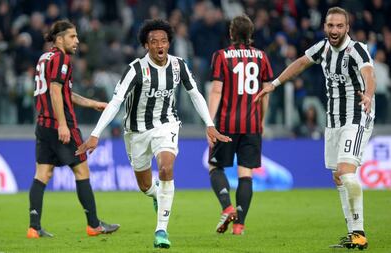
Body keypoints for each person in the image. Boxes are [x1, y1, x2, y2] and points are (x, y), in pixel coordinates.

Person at [75, 19, 231, 248]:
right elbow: (116, 101)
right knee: (146, 186)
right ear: (146, 45)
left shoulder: (179, 65)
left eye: (164, 41)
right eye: (154, 41)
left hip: (166, 125)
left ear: (169, 43)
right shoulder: (135, 69)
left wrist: (209, 123)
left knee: (166, 168)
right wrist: (96, 133)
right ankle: (157, 196)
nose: (160, 45)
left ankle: (161, 231)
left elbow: (195, 94)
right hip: (136, 132)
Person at [255, 7, 375, 250]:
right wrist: (274, 84)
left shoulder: (357, 50)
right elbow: (300, 62)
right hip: (333, 121)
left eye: (339, 26)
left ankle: (360, 234)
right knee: (337, 176)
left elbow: (368, 73)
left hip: (356, 116)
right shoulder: (323, 48)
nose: (334, 30)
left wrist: (369, 95)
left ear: (347, 28)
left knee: (346, 172)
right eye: (330, 25)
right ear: (324, 27)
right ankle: (354, 234)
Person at [27, 20, 120, 238]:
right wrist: (62, 124)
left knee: (43, 173)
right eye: (72, 36)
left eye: (77, 37)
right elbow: (56, 92)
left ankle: (34, 227)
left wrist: (92, 103)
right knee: (82, 170)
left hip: (42, 124)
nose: (77, 41)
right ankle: (94, 225)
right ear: (59, 39)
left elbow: (64, 93)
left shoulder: (45, 58)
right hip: (61, 124)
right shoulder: (62, 58)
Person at [208, 14, 273, 236]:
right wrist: (262, 119)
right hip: (252, 124)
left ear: (231, 33)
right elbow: (265, 94)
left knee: (215, 167)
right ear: (251, 34)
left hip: (227, 123)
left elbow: (217, 90)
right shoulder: (261, 57)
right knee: (246, 173)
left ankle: (226, 206)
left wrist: (209, 122)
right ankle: (239, 225)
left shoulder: (221, 56)